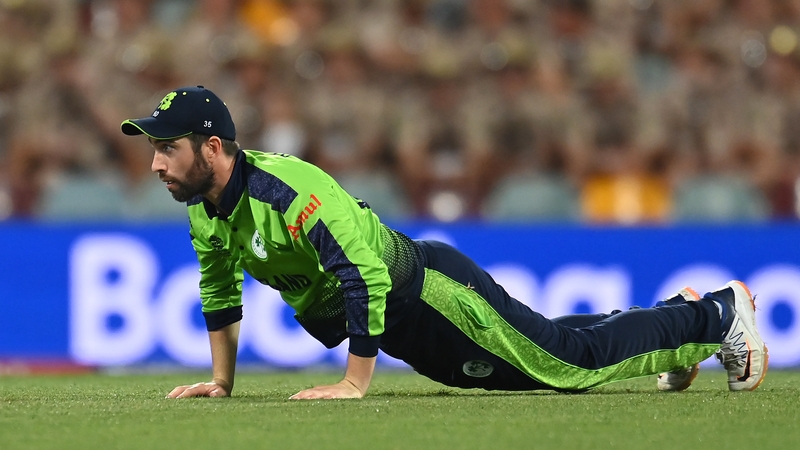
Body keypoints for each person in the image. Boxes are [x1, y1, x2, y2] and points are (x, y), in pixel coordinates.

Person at [120, 86, 768, 399]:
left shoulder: (288, 191)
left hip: (430, 294)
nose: (156, 165)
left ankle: (716, 316)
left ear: (212, 147)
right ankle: (676, 320)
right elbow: (219, 291)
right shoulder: (204, 208)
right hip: (407, 326)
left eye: (167, 149)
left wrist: (353, 384)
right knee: (543, 351)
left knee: (566, 366)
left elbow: (364, 277)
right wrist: (222, 382)